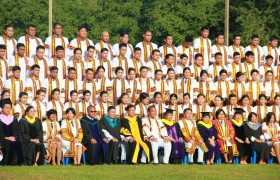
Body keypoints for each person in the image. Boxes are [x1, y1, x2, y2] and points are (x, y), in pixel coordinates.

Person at [0, 98, 24, 165]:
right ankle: (8, 163)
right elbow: (0, 132)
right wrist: (6, 138)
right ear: (2, 108)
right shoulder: (0, 118)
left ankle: (20, 162)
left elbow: (16, 131)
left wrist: (14, 137)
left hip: (13, 138)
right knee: (10, 143)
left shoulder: (13, 118)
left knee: (18, 142)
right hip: (3, 139)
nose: (8, 109)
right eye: (6, 108)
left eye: (9, 108)